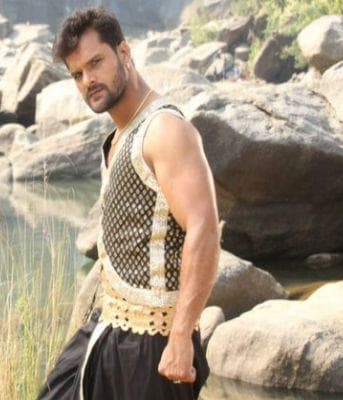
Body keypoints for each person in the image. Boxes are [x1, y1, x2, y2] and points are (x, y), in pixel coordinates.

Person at [38, 7, 220, 400]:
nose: (88, 80)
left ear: (124, 52)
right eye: (77, 74)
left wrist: (180, 338)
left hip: (153, 348)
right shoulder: (121, 133)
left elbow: (204, 229)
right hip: (111, 329)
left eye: (95, 63)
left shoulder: (165, 129)